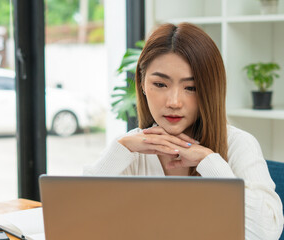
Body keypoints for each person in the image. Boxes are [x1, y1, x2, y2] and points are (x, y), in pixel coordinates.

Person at [84, 23, 284, 239]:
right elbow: (74, 220)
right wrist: (118, 151)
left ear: (209, 90)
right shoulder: (130, 149)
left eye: (191, 88)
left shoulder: (238, 144)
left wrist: (210, 162)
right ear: (142, 84)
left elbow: (266, 232)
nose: (174, 102)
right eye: (160, 84)